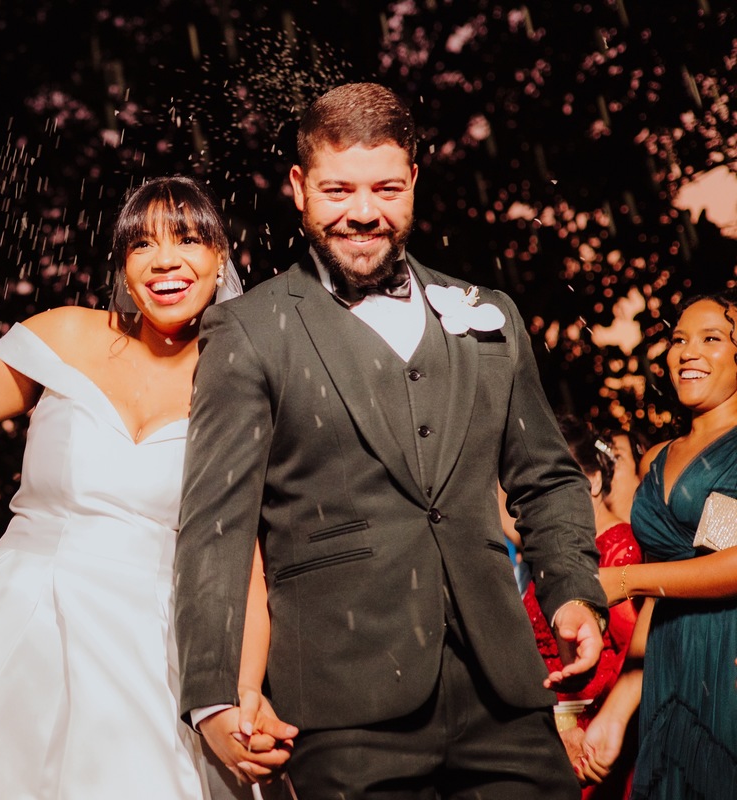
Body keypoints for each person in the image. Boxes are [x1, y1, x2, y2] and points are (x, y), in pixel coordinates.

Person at [174, 82, 608, 799]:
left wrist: (572, 594)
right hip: (343, 708)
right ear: (299, 188)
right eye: (338, 190)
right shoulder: (247, 331)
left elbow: (546, 478)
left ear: (413, 182)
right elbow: (217, 526)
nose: (363, 213)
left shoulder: (489, 315)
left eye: (385, 188)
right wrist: (214, 695)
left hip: (505, 698)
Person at [0, 175, 293, 799]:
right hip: (26, 619)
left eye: (188, 239)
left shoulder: (238, 380)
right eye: (141, 245)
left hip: (153, 642)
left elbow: (243, 561)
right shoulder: (67, 335)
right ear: (125, 271)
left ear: (219, 262)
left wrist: (243, 692)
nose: (165, 260)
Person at [592, 292, 737, 798]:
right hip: (668, 669)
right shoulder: (655, 458)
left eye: (711, 339)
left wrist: (622, 579)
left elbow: (732, 567)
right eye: (679, 339)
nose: (687, 351)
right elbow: (663, 591)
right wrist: (618, 707)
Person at [519, 415, 643, 798]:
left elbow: (634, 657)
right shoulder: (559, 561)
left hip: (592, 747)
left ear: (590, 482)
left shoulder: (620, 553)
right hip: (553, 741)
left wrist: (584, 726)